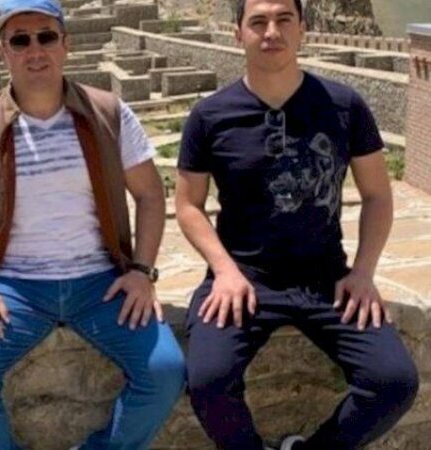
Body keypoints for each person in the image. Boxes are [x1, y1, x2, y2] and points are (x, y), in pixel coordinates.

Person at [0, 0, 186, 448]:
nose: (35, 50)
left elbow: (151, 194)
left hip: (101, 282)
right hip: (14, 287)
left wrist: (141, 271)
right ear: (3, 51)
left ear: (65, 44)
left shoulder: (108, 113)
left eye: (46, 36)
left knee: (164, 370)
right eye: (20, 40)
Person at [175, 0, 418, 449]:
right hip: (243, 278)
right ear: (238, 34)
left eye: (284, 19)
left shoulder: (344, 106)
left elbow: (377, 195)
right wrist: (224, 271)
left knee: (394, 382)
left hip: (326, 278)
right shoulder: (210, 116)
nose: (272, 31)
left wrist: (364, 272)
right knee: (208, 381)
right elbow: (188, 205)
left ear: (303, 28)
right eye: (258, 22)